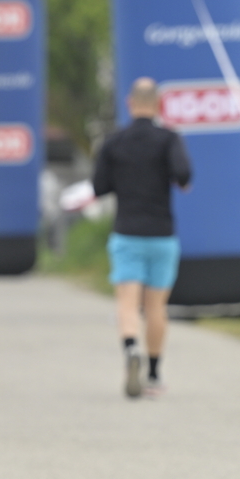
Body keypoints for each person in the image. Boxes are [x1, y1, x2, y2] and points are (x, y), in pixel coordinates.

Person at [90, 76, 192, 399]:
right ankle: (154, 373)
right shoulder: (169, 139)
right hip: (162, 235)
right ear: (159, 104)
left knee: (128, 303)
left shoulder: (114, 142)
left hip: (127, 234)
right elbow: (184, 176)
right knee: (156, 307)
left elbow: (98, 187)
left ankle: (131, 347)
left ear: (130, 103)